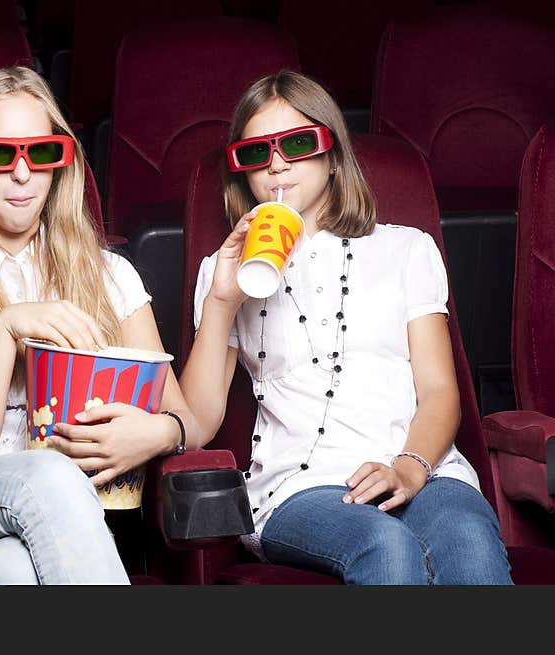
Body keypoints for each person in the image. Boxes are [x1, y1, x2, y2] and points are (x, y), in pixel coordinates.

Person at [180, 71, 512, 585]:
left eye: (295, 143)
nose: (276, 164)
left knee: (467, 542)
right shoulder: (221, 272)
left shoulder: (407, 249)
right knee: (385, 545)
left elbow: (440, 391)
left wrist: (408, 467)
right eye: (254, 153)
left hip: (424, 468)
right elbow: (196, 424)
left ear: (333, 156)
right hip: (300, 487)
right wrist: (224, 300)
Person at [0, 66, 199, 585]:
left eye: (42, 153)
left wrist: (157, 434)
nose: (23, 175)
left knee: (10, 569)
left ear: (61, 163)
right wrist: (8, 329)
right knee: (47, 471)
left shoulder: (111, 276)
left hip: (58, 518)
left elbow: (186, 417)